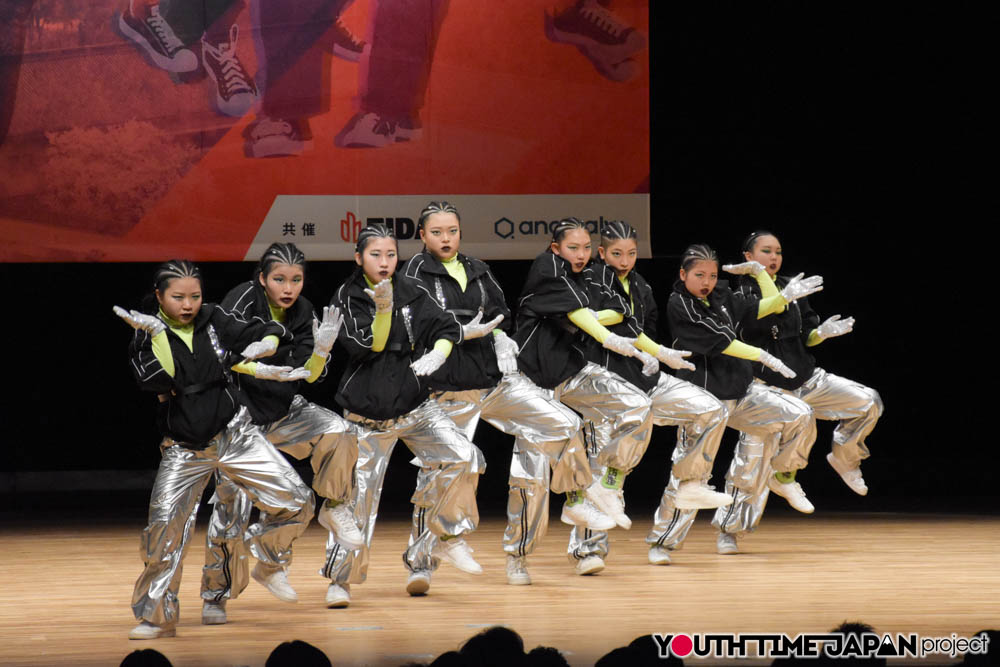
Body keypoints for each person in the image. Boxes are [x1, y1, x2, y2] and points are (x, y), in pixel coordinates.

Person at [398, 202, 615, 591]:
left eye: (452, 231)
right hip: (448, 387)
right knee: (443, 473)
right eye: (437, 232)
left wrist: (500, 338)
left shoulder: (478, 269)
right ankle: (422, 563)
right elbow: (418, 325)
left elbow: (500, 314)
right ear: (422, 235)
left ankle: (574, 500)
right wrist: (460, 333)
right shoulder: (413, 274)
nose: (446, 239)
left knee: (565, 423)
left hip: (494, 380)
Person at [114, 260, 315, 639]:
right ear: (159, 296)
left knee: (297, 501)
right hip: (185, 446)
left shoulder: (212, 318)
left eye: (195, 296)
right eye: (178, 297)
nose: (188, 304)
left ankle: (266, 556)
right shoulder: (144, 335)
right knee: (164, 529)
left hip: (235, 434)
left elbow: (268, 328)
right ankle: (156, 616)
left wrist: (267, 344)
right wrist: (158, 334)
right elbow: (160, 379)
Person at [319, 223, 488, 608]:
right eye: (375, 255)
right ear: (358, 257)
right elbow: (366, 347)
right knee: (357, 500)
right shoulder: (347, 295)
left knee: (464, 457)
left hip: (414, 406)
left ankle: (442, 540)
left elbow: (444, 327)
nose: (384, 262)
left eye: (391, 255)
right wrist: (382, 309)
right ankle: (340, 581)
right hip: (366, 414)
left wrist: (440, 351)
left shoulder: (412, 290)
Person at [199, 242, 364, 625]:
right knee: (231, 509)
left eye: (296, 279)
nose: (288, 288)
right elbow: (218, 358)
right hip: (238, 421)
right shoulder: (241, 300)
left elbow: (310, 374)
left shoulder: (303, 311)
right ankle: (216, 596)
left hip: (282, 410)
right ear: (262, 278)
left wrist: (321, 351)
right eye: (279, 279)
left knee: (339, 431)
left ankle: (330, 510)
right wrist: (258, 367)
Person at [566, 221, 734, 569]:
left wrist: (657, 355)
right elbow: (585, 328)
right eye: (616, 253)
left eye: (631, 253)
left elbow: (646, 330)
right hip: (605, 387)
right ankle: (589, 551)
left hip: (645, 379)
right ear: (602, 253)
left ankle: (691, 482)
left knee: (711, 410)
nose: (624, 260)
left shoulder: (641, 286)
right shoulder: (588, 281)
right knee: (601, 467)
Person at [648, 244, 819, 557]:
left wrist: (773, 286)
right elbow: (723, 342)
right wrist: (762, 355)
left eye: (712, 276)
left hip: (741, 391)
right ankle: (663, 543)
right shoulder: (679, 304)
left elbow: (765, 309)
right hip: (705, 400)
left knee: (800, 413)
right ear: (683, 274)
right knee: (691, 478)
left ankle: (783, 475)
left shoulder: (722, 296)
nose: (707, 282)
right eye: (700, 275)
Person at [512, 217, 655, 576]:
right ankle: (518, 557)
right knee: (531, 478)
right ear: (556, 248)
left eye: (586, 248)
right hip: (531, 383)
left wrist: (652, 350)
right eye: (572, 248)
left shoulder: (590, 275)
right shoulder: (546, 267)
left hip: (571, 373)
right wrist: (608, 338)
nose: (580, 254)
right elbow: (577, 312)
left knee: (637, 405)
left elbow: (618, 310)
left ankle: (609, 483)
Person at [735, 230, 883, 496]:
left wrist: (822, 333)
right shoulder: (738, 295)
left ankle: (843, 459)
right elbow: (762, 316)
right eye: (766, 251)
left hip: (806, 378)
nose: (774, 257)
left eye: (778, 252)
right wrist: (780, 294)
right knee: (751, 477)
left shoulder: (794, 287)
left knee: (869, 402)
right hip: (766, 389)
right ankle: (734, 522)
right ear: (748, 256)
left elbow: (807, 337)